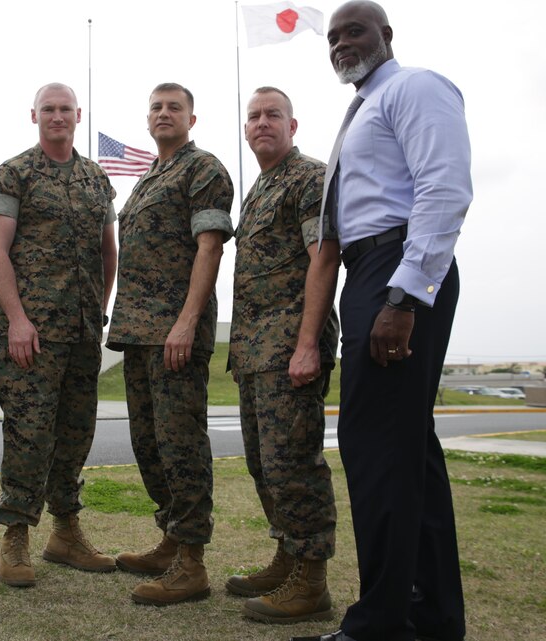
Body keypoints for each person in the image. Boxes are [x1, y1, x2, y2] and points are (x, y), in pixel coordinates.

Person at [294, 2, 472, 640]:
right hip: (369, 272)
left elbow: (444, 187)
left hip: (397, 270)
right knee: (406, 453)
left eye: (355, 32)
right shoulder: (363, 105)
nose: (341, 43)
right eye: (334, 37)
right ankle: (431, 617)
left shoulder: (415, 87)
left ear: (386, 36)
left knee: (376, 454)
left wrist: (404, 298)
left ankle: (378, 625)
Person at [0, 83, 118, 588]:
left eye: (65, 109)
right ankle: (16, 535)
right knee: (28, 435)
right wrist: (16, 319)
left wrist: (99, 312)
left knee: (75, 435)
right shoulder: (12, 174)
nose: (57, 117)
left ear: (78, 115)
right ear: (34, 115)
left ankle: (65, 532)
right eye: (48, 109)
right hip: (32, 335)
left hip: (82, 334)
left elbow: (109, 253)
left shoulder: (95, 178)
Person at [106, 82, 234, 605]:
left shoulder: (203, 169)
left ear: (191, 119)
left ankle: (192, 563)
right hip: (137, 333)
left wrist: (186, 322)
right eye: (156, 107)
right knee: (150, 443)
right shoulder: (148, 178)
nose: (163, 114)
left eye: (173, 107)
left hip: (175, 335)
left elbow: (210, 249)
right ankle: (171, 539)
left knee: (181, 444)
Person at [225, 87, 339, 624]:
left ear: (293, 126)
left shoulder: (309, 177)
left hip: (290, 347)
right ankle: (288, 557)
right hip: (254, 350)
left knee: (292, 464)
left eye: (274, 115)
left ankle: (311, 581)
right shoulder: (261, 188)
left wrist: (308, 344)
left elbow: (325, 259)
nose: (262, 122)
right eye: (254, 116)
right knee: (263, 464)